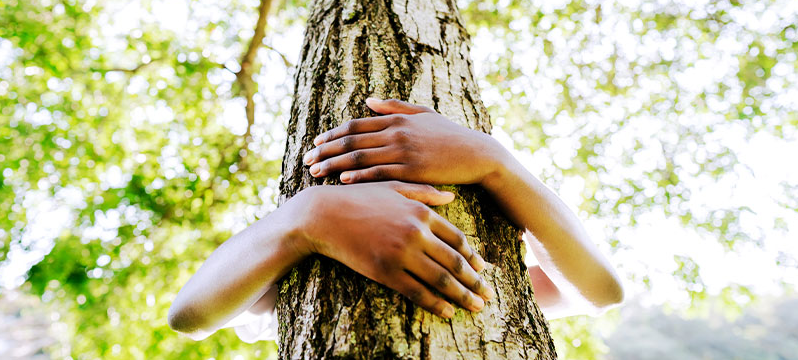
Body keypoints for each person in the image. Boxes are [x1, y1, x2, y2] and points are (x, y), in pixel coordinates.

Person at [167, 98, 624, 342]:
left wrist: (496, 163)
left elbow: (601, 291)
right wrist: (308, 214)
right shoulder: (278, 276)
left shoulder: (492, 277)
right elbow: (191, 314)